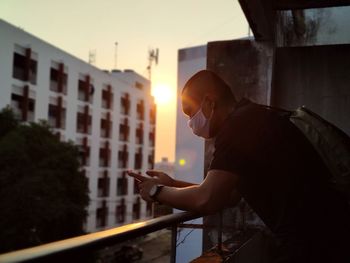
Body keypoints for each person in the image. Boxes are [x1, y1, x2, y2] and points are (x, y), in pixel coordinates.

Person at [128, 70, 350, 262]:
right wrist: (172, 183)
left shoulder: (238, 127)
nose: (191, 123)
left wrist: (157, 191)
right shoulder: (254, 116)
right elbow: (229, 194)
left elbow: (208, 198)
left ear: (209, 102)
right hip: (328, 234)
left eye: (190, 112)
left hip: (316, 244)